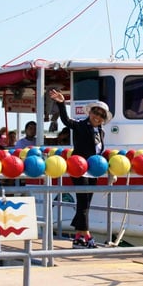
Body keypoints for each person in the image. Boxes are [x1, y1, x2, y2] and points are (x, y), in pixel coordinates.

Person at [49, 89, 112, 249]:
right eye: (95, 113)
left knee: (86, 204)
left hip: (93, 171)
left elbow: (99, 152)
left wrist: (111, 171)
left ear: (104, 119)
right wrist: (61, 103)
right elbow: (66, 121)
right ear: (90, 112)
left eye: (101, 115)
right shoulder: (80, 125)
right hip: (79, 168)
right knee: (83, 202)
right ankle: (87, 236)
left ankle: (78, 237)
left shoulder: (101, 132)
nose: (97, 117)